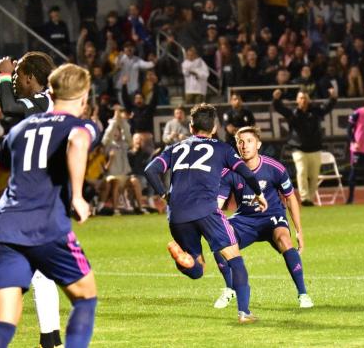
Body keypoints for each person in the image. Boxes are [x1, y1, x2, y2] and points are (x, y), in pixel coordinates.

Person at [0, 64, 99, 348]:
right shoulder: (80, 126)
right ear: (83, 98)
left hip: (5, 228)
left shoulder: (19, 129)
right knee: (85, 298)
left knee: (4, 323)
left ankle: (48, 338)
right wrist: (78, 196)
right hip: (47, 226)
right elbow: (78, 143)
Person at [144, 103, 268, 323]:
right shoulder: (223, 149)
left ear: (191, 127)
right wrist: (259, 193)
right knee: (235, 259)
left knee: (197, 267)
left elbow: (150, 170)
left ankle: (185, 259)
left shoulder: (175, 147)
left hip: (177, 215)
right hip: (207, 211)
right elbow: (246, 173)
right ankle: (244, 313)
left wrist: (164, 195)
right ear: (214, 128)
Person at [0, 51, 63, 348]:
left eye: (18, 76)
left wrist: (2, 74)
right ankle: (50, 339)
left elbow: (8, 105)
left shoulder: (44, 100)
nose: (15, 81)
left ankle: (52, 339)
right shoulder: (46, 103)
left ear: (30, 77)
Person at [213, 127, 313, 309]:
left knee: (284, 240)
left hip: (272, 217)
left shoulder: (275, 168)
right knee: (219, 242)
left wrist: (299, 231)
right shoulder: (229, 172)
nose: (244, 146)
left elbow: (290, 198)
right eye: (240, 142)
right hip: (245, 219)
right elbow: (218, 204)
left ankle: (303, 294)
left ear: (258, 144)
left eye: (249, 141)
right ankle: (230, 289)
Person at [272, 87, 337, 206]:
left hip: (315, 148)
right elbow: (280, 108)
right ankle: (304, 198)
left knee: (314, 176)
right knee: (301, 172)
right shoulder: (293, 113)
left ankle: (310, 199)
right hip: (299, 149)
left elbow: (327, 108)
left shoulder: (316, 112)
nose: (303, 100)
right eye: (301, 98)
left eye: (305, 98)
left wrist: (332, 97)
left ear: (309, 100)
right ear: (297, 100)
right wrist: (276, 99)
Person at [0, 52, 56, 122]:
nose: (13, 77)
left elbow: (9, 107)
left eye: (17, 73)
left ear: (29, 77)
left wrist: (5, 73)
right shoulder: (43, 99)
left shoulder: (45, 99)